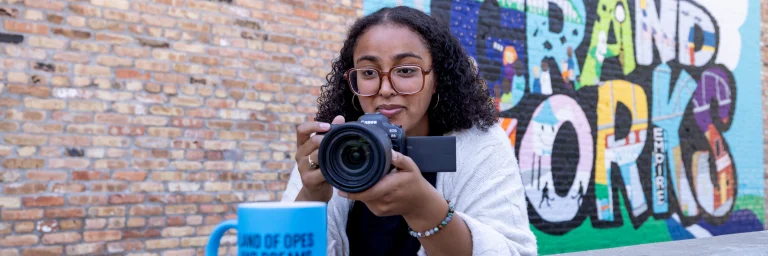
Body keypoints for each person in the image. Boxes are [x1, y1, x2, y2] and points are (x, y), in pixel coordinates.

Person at [281, 6, 538, 256]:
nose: (385, 89)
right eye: (368, 72)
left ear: (436, 79)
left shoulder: (480, 145)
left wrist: (425, 210)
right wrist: (311, 197)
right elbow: (282, 248)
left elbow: (512, 250)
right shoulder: (334, 146)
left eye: (405, 70)